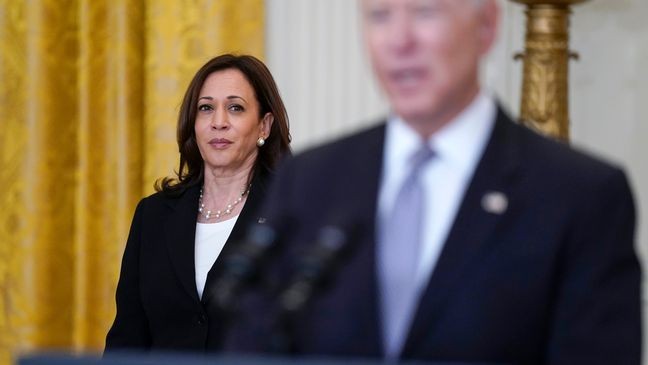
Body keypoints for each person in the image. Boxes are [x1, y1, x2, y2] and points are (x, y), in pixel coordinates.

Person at [224, 1, 642, 364]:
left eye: (426, 11)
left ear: (487, 26)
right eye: (380, 15)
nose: (399, 41)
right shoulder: (312, 180)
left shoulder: (581, 195)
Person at [105, 54, 291, 352]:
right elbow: (126, 340)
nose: (219, 122)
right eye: (206, 108)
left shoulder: (289, 214)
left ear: (264, 126)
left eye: (235, 108)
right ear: (193, 122)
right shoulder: (153, 215)